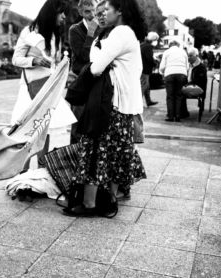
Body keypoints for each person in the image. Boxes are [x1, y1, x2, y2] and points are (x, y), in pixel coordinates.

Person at [67, 0, 147, 216]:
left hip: (111, 103)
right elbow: (98, 61)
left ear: (119, 11)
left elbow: (95, 67)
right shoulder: (122, 33)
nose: (100, 15)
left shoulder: (120, 33)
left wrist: (100, 59)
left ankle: (90, 204)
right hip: (123, 105)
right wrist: (100, 57)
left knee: (95, 150)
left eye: (105, 11)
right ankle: (109, 201)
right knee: (116, 154)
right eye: (98, 12)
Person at [11, 0, 76, 166]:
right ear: (51, 13)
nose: (63, 17)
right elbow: (15, 59)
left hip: (48, 87)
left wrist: (62, 73)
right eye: (61, 13)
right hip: (30, 88)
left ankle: (41, 171)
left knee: (45, 129)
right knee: (27, 130)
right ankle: (21, 173)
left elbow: (53, 62)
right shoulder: (29, 31)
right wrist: (34, 61)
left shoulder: (55, 34)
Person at [68, 0, 99, 143]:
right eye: (87, 11)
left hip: (97, 80)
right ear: (80, 12)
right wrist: (91, 32)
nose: (92, 15)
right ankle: (75, 161)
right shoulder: (75, 29)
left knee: (95, 124)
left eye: (94, 10)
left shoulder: (102, 28)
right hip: (80, 81)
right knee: (78, 124)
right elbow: (83, 56)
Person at [159, 40, 188, 122]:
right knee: (179, 95)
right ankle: (178, 115)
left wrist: (161, 72)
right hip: (182, 73)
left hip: (169, 74)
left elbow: (162, 66)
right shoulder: (183, 52)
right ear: (178, 45)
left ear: (170, 45)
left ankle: (170, 116)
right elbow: (187, 66)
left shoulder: (167, 52)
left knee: (170, 96)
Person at [181, 47, 207, 118]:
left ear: (196, 56)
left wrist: (186, 85)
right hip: (191, 85)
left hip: (197, 87)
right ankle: (180, 112)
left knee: (179, 91)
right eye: (188, 56)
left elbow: (199, 81)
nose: (189, 58)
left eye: (190, 56)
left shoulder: (201, 67)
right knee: (177, 89)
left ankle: (183, 113)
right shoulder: (189, 65)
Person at [140, 31, 159, 106]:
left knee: (147, 86)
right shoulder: (148, 47)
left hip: (141, 68)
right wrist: (155, 63)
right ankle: (138, 103)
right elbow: (149, 58)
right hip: (145, 69)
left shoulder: (142, 45)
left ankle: (148, 101)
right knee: (144, 85)